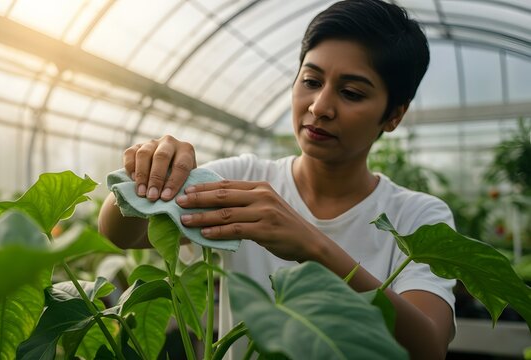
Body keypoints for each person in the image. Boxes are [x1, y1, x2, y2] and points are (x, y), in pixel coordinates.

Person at [98, 0, 455, 358]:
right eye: (311, 81)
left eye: (351, 93)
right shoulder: (242, 179)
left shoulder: (417, 216)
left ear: (394, 115)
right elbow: (121, 232)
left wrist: (313, 247)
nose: (319, 107)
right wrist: (144, 172)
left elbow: (430, 346)